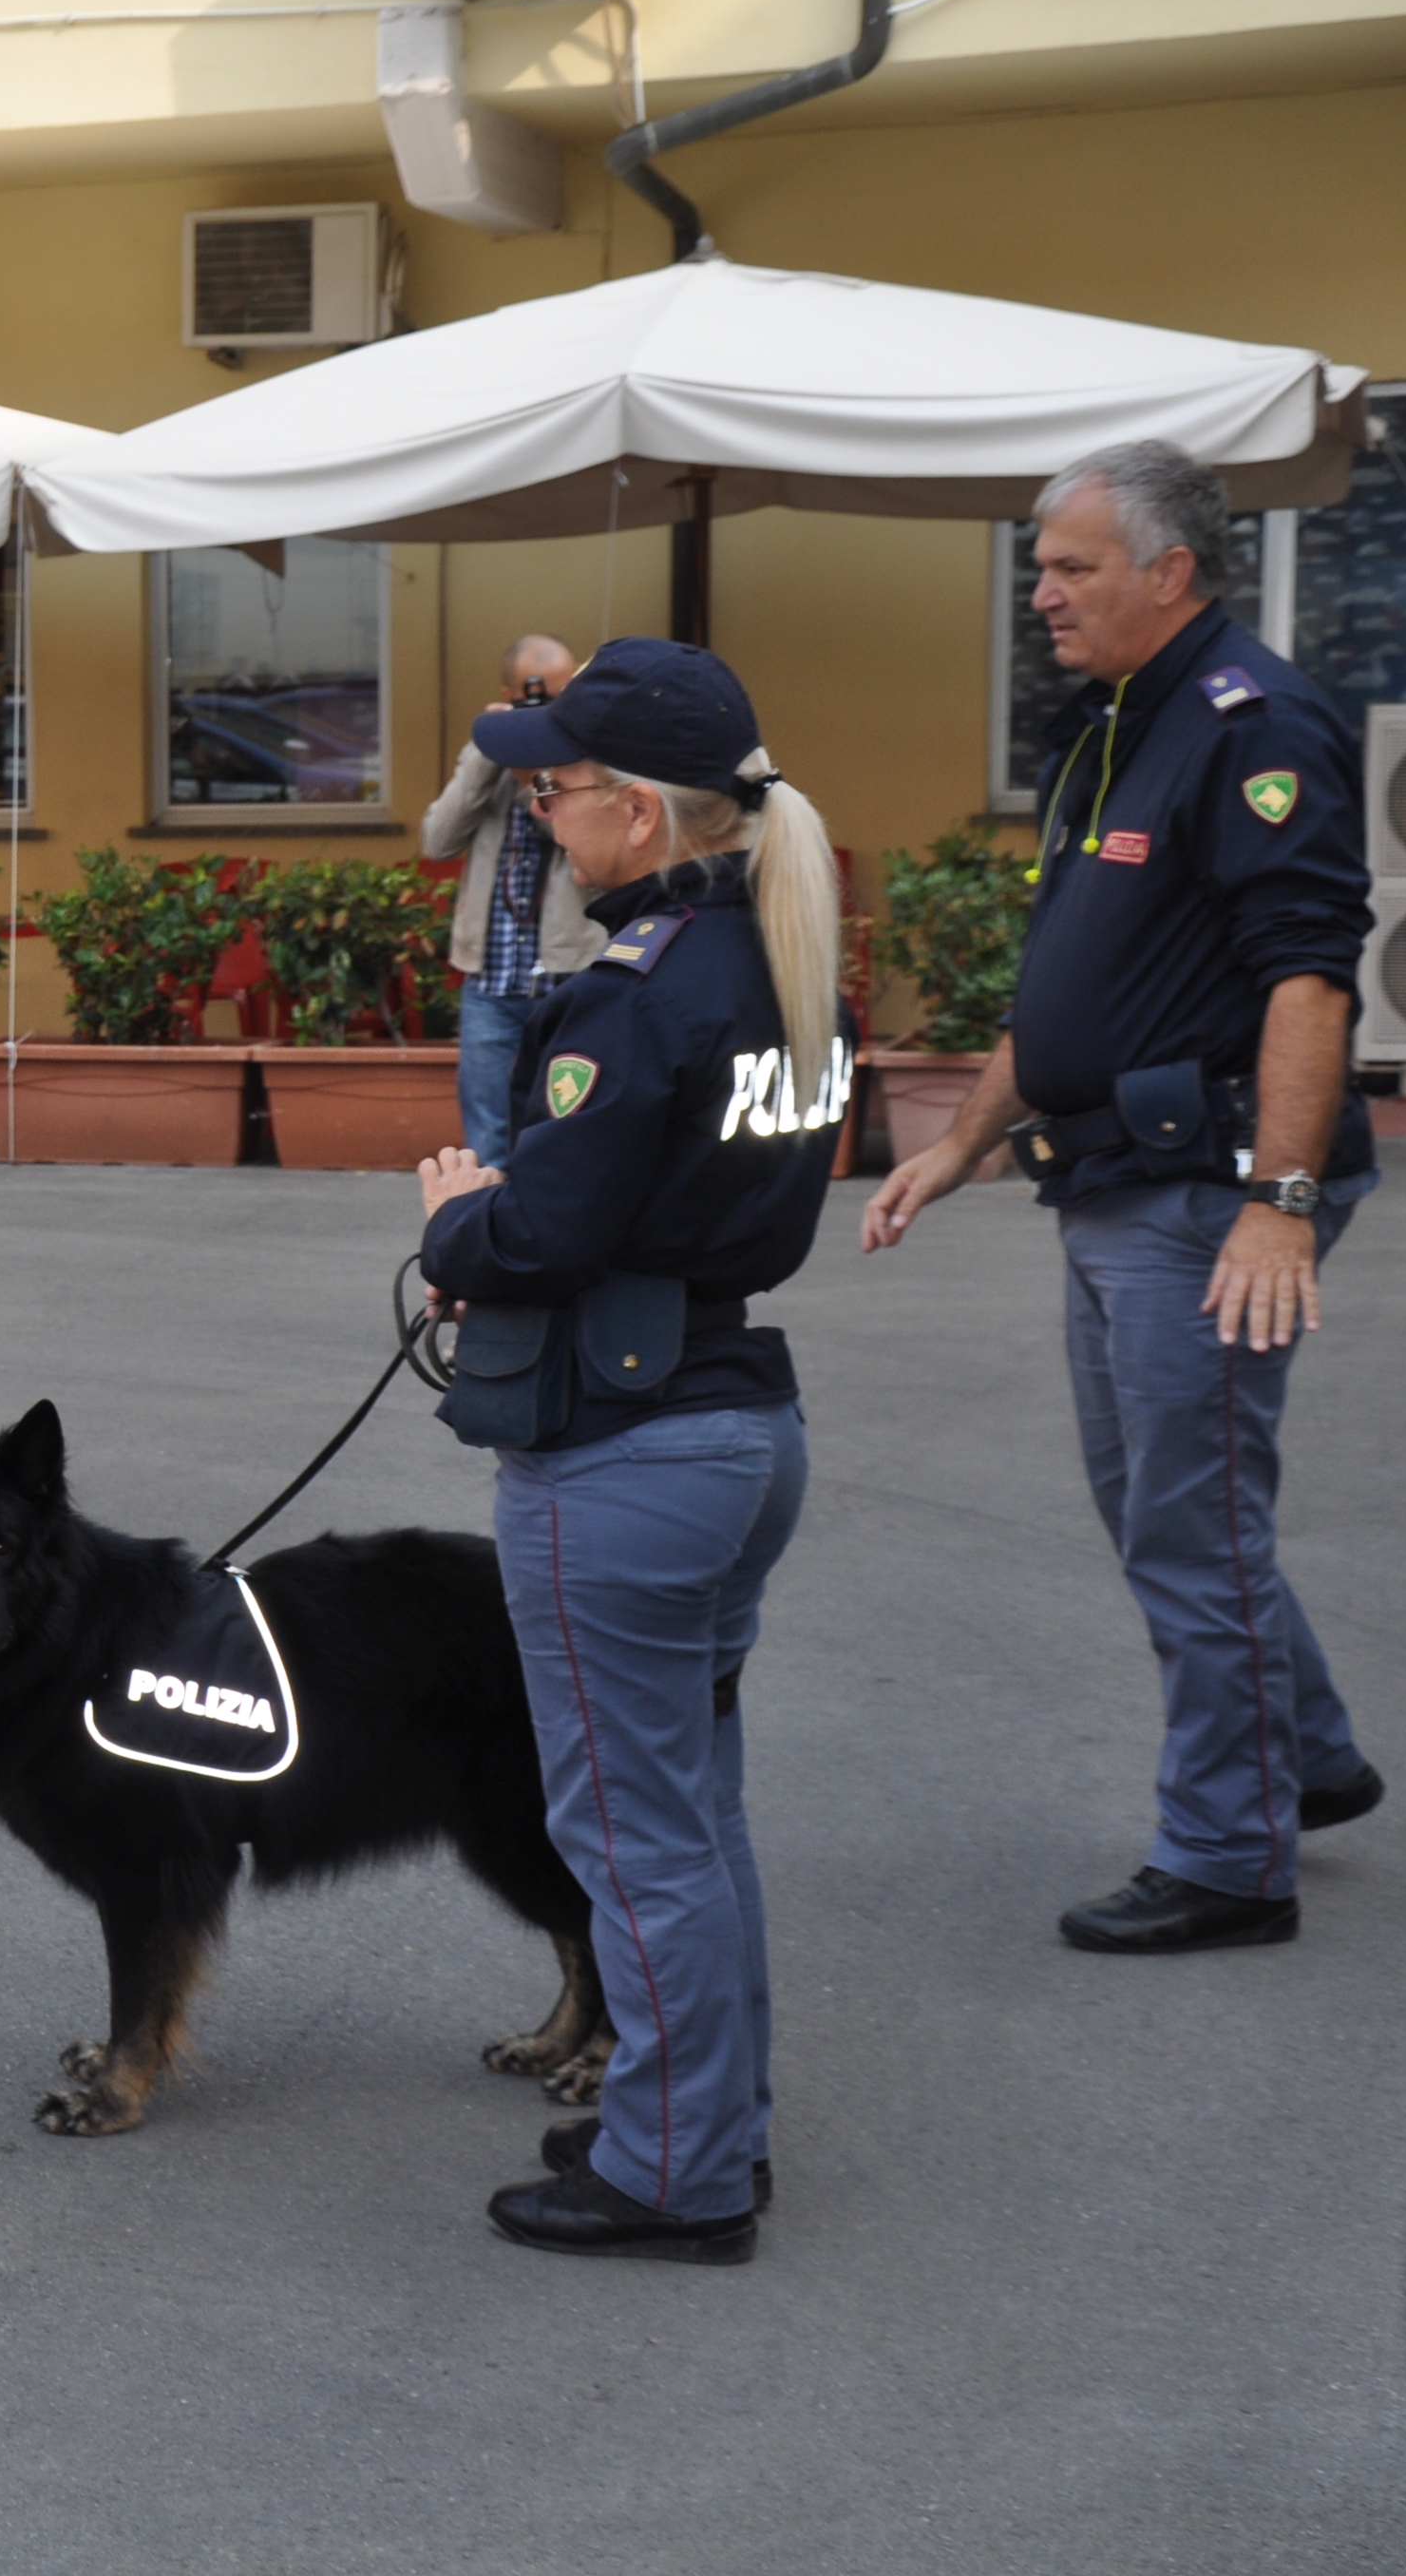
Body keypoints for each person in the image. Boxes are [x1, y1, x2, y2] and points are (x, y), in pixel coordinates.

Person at [861, 439, 1383, 1956]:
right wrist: (962, 1143)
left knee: (1192, 1520)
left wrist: (1279, 1199)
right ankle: (1314, 1756)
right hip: (1107, 1181)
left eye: (1071, 568)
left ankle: (1231, 1857)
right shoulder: (1116, 727)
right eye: (1039, 567)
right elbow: (1076, 981)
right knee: (1164, 1506)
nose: (1042, 595)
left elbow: (1307, 975)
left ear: (1170, 572)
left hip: (1208, 1192)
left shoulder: (1252, 722)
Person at [415, 638, 850, 2265]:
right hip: (735, 1419)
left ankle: (674, 2169)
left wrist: (458, 1216)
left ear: (641, 812)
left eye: (559, 777)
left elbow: (540, 1227)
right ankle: (700, 2117)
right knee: (692, 1815)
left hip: (625, 1455)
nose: (538, 795)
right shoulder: (780, 960)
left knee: (630, 1829)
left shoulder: (635, 988)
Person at [428, 633, 610, 1167]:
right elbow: (437, 840)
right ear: (508, 692)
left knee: (567, 1130)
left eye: (564, 697)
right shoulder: (491, 761)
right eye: (541, 699)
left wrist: (539, 777)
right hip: (492, 982)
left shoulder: (587, 761)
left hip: (569, 977)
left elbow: (588, 853)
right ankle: (489, 1240)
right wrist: (487, 752)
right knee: (488, 1138)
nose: (553, 712)